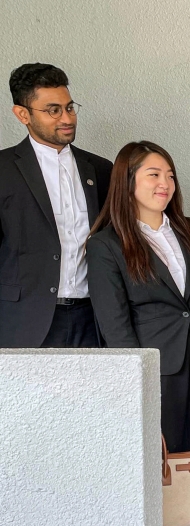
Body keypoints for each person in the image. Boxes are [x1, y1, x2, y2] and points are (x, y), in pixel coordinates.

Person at [87, 141, 190, 526]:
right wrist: (133, 383)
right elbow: (114, 321)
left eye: (169, 175)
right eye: (153, 175)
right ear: (128, 183)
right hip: (153, 372)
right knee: (160, 470)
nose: (165, 184)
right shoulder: (106, 245)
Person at [1, 63, 112, 348]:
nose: (67, 118)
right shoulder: (3, 170)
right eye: (53, 110)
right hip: (23, 321)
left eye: (70, 107)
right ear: (22, 114)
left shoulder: (99, 169)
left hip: (93, 319)